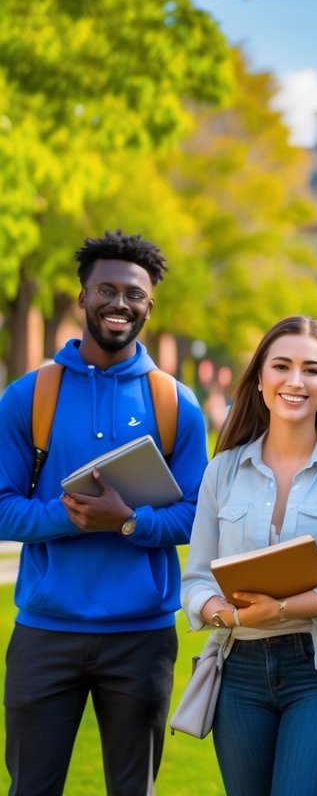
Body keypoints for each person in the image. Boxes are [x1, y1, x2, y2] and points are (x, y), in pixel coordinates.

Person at [0, 230, 208, 795]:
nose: (120, 304)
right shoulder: (29, 396)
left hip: (142, 639)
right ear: (82, 298)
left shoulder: (174, 403)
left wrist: (127, 522)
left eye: (133, 294)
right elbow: (1, 508)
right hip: (45, 634)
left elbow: (197, 516)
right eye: (106, 290)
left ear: (150, 304)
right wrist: (71, 518)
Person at [181, 316, 317, 796]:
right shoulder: (224, 470)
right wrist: (219, 611)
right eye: (282, 366)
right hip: (239, 668)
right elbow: (194, 581)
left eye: (312, 370)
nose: (295, 381)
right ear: (259, 378)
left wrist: (280, 609)